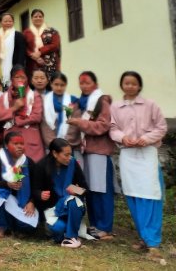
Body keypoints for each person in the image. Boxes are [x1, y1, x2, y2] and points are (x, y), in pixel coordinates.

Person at [109, 71, 167, 260]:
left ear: (139, 86)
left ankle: (153, 243)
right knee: (133, 195)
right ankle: (144, 237)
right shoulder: (116, 107)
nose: (130, 86)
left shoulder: (150, 105)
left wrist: (146, 138)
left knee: (150, 195)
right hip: (128, 156)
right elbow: (113, 128)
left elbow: (161, 127)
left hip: (147, 154)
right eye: (127, 83)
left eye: (134, 83)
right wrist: (122, 137)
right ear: (121, 85)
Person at [67, 71, 115, 240]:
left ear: (95, 84)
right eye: (81, 83)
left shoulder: (102, 101)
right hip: (84, 150)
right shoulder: (80, 102)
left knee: (101, 189)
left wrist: (80, 122)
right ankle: (95, 224)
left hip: (99, 150)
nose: (84, 86)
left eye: (87, 83)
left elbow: (103, 125)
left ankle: (105, 226)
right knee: (90, 189)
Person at [34, 138, 88, 249]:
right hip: (52, 210)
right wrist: (40, 194)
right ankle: (67, 234)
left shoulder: (73, 163)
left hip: (71, 208)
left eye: (70, 154)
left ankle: (70, 238)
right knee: (58, 228)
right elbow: (34, 190)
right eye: (66, 155)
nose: (69, 158)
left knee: (72, 201)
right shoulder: (41, 166)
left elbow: (85, 188)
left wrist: (76, 190)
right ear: (55, 153)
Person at [0, 131, 38, 238]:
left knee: (28, 226)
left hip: (22, 201)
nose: (20, 146)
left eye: (22, 144)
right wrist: (7, 184)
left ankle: (16, 228)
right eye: (15, 144)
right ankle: (1, 226)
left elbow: (36, 185)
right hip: (4, 197)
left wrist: (31, 201)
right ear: (6, 145)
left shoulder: (28, 162)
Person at [0, 66, 45, 162]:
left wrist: (19, 120)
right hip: (11, 140)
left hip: (30, 141)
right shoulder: (4, 96)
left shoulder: (34, 95)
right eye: (17, 77)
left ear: (27, 79)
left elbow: (37, 117)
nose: (20, 80)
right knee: (12, 168)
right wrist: (14, 108)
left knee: (30, 168)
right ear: (11, 79)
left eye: (23, 77)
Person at [41, 72, 79, 149]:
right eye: (56, 84)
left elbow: (74, 126)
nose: (59, 88)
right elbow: (45, 125)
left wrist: (65, 144)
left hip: (68, 146)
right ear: (51, 84)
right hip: (50, 145)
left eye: (62, 85)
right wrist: (55, 145)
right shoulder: (44, 101)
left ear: (66, 85)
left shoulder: (73, 101)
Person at [23, 9, 61, 79]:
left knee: (51, 82)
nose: (38, 18)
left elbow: (55, 45)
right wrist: (33, 55)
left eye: (40, 16)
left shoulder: (52, 31)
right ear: (31, 19)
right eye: (35, 16)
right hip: (32, 63)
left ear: (43, 18)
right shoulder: (26, 32)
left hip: (50, 64)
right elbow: (24, 47)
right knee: (34, 82)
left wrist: (40, 52)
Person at [0, 13, 26, 87]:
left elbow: (22, 52)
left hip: (14, 65)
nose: (8, 23)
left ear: (13, 22)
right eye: (5, 21)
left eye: (10, 21)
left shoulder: (18, 35)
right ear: (1, 22)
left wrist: (19, 67)